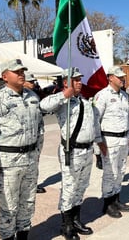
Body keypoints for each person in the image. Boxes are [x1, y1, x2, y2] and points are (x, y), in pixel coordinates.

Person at [0, 59, 44, 240]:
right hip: (8, 162)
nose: (21, 74)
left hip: (30, 160)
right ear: (5, 76)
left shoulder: (32, 96)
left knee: (28, 204)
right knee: (9, 208)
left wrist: (37, 153)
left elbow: (40, 128)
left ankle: (23, 236)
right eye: (17, 71)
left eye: (22, 71)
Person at [40, 67, 97, 240]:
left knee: (81, 186)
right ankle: (66, 225)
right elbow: (43, 105)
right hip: (71, 151)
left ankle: (76, 220)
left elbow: (94, 125)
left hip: (87, 150)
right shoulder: (62, 102)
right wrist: (64, 94)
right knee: (69, 188)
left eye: (80, 79)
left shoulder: (85, 102)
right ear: (66, 82)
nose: (80, 82)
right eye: (76, 80)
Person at [93, 66, 129, 218]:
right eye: (118, 76)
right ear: (110, 77)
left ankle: (116, 199)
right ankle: (107, 204)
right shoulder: (102, 96)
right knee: (110, 173)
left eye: (123, 76)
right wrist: (99, 142)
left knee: (121, 170)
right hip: (109, 139)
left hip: (123, 138)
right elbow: (95, 120)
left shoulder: (125, 96)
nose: (122, 79)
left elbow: (127, 118)